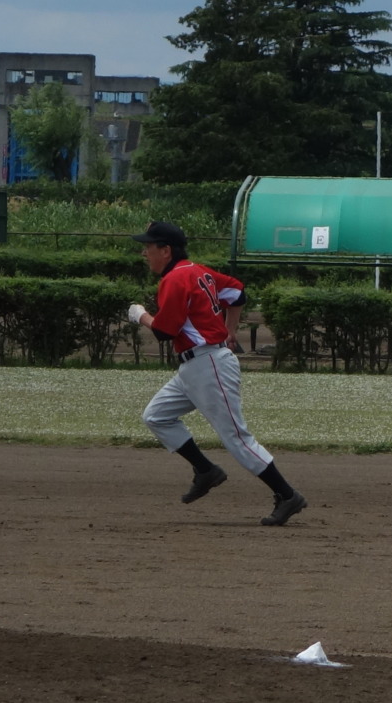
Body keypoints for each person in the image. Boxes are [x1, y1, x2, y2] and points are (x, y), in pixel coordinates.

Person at [127, 221, 307, 525]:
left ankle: (287, 495)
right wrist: (229, 329)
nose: (144, 253)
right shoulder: (199, 271)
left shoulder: (175, 279)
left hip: (208, 365)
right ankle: (205, 470)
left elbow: (164, 332)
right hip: (195, 366)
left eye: (148, 247)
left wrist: (140, 315)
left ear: (166, 250)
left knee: (236, 438)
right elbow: (237, 293)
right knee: (156, 416)